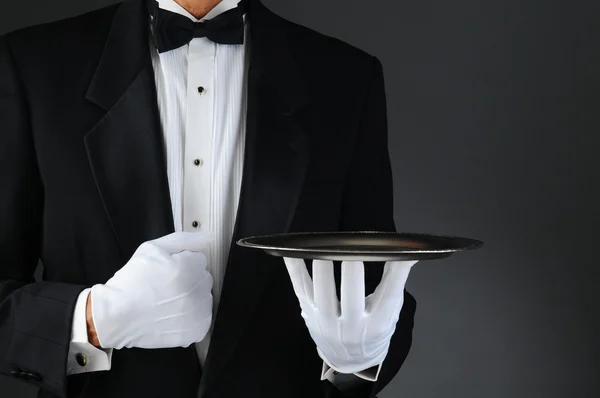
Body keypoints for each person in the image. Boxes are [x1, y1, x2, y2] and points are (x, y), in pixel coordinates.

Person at [0, 0, 417, 397]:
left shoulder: (346, 77)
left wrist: (358, 363)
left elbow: (376, 287)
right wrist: (93, 320)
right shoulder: (32, 64)